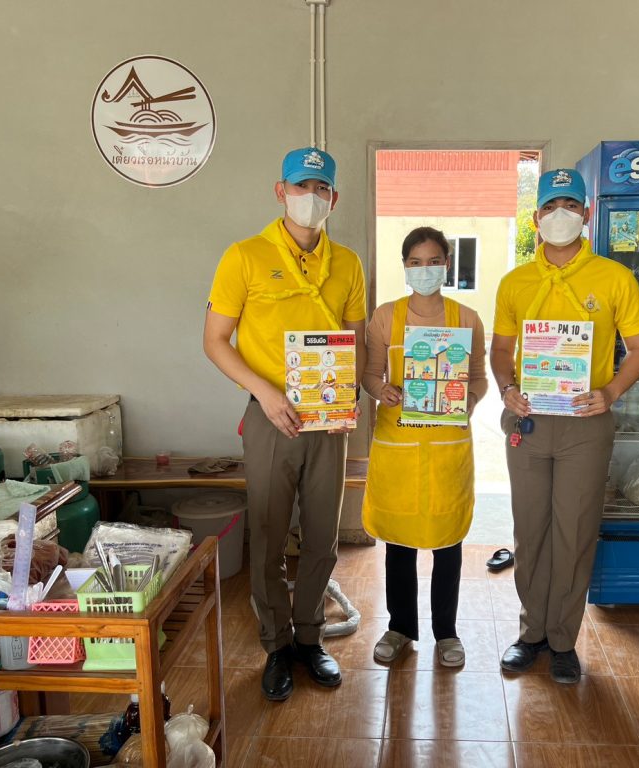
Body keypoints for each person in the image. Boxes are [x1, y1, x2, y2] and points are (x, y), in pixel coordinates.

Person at [203, 147, 366, 702]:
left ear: (334, 198)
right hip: (271, 416)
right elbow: (215, 341)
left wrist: (350, 396)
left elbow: (354, 340)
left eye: (321, 189)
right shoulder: (244, 257)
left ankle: (309, 638)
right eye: (301, 186)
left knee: (322, 535)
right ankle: (275, 645)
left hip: (329, 418)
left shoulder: (348, 264)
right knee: (270, 533)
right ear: (281, 191)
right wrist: (264, 392)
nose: (310, 197)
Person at [491, 169, 639, 684]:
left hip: (586, 423)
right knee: (530, 530)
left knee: (575, 532)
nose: (559, 214)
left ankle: (562, 640)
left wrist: (610, 393)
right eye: (549, 205)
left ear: (587, 213)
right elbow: (501, 350)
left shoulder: (614, 278)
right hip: (530, 422)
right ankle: (531, 632)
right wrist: (506, 387)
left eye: (570, 204)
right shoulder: (515, 282)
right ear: (535, 217)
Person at [360, 227, 488, 667]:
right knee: (399, 544)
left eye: (433, 261)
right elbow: (370, 374)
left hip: (448, 449)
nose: (425, 269)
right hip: (399, 447)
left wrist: (468, 401)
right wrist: (382, 390)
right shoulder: (386, 317)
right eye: (415, 262)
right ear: (405, 267)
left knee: (447, 543)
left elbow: (478, 378)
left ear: (446, 265)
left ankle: (446, 632)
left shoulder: (467, 319)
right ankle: (400, 628)